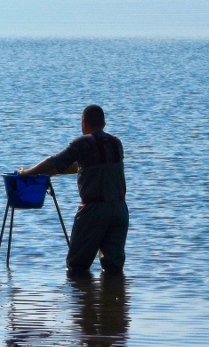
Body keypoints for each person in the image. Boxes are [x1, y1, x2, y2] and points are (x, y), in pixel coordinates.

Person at [19, 104, 128, 275]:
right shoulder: (116, 143)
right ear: (104, 124)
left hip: (93, 210)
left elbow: (53, 161)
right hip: (119, 209)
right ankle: (113, 299)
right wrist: (53, 173)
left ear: (84, 123)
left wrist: (27, 173)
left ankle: (80, 299)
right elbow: (87, 166)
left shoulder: (83, 143)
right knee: (113, 268)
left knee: (76, 266)